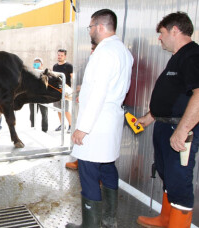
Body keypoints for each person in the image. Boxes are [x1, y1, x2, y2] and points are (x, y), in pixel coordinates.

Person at [66, 9, 133, 228]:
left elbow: (99, 93)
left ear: (100, 27)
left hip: (95, 125)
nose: (90, 31)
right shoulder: (123, 50)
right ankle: (109, 219)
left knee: (88, 173)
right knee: (107, 168)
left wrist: (82, 128)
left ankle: (90, 225)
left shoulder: (103, 52)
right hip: (110, 121)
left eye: (91, 27)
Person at [136, 12, 198, 228]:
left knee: (179, 179)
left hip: (180, 128)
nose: (159, 38)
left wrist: (182, 131)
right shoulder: (177, 57)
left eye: (161, 33)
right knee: (167, 175)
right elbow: (174, 97)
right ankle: (166, 219)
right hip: (164, 125)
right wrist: (149, 118)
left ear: (174, 30)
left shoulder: (192, 55)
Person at [66, 42, 97, 170]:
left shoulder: (102, 62)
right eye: (91, 49)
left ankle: (96, 171)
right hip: (84, 101)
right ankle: (80, 161)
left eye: (93, 49)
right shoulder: (90, 61)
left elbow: (98, 88)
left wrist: (82, 90)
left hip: (95, 108)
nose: (91, 51)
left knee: (91, 137)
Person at [53, 49, 73, 133]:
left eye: (61, 55)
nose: (59, 57)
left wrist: (74, 90)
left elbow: (72, 77)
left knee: (66, 109)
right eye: (58, 55)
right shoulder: (55, 66)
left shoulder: (69, 66)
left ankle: (71, 125)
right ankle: (62, 124)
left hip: (66, 91)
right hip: (57, 90)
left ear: (65, 56)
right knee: (58, 109)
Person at [29, 57, 48, 132]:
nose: (36, 64)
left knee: (44, 113)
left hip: (43, 97)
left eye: (38, 63)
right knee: (32, 114)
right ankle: (32, 128)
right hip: (32, 97)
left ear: (42, 64)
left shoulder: (45, 73)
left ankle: (44, 129)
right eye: (35, 63)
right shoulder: (31, 72)